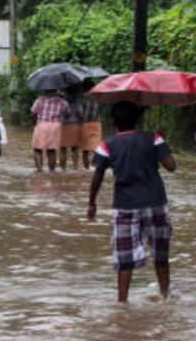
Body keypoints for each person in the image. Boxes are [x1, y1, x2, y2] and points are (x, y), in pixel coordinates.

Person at [87, 102, 177, 302]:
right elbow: (171, 166)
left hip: (125, 206)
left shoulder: (107, 145)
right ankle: (165, 296)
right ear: (137, 120)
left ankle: (122, 302)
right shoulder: (153, 138)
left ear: (113, 122)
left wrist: (92, 203)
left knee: (124, 259)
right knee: (160, 255)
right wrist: (163, 144)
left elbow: (98, 176)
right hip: (155, 203)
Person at [30, 90, 70, 172]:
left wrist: (34, 123)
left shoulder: (40, 100)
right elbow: (67, 114)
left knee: (37, 149)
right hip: (55, 126)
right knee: (51, 150)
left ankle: (40, 170)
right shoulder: (62, 102)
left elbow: (33, 113)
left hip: (42, 124)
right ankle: (51, 171)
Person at [59, 84, 85, 170]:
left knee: (63, 149)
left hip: (63, 126)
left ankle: (63, 168)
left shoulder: (61, 102)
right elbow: (81, 115)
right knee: (75, 149)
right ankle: (75, 167)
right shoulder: (77, 102)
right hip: (74, 125)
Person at [79, 79, 102, 169]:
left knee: (85, 150)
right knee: (96, 147)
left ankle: (86, 168)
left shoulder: (81, 98)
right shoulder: (98, 97)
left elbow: (80, 113)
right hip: (96, 123)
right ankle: (98, 166)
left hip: (85, 124)